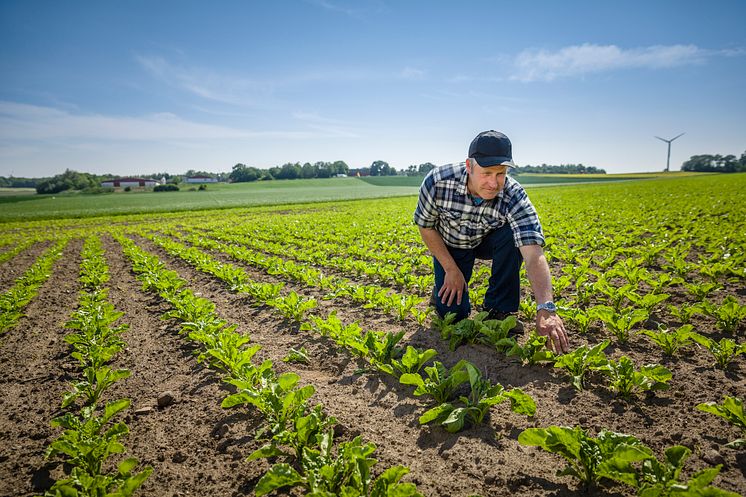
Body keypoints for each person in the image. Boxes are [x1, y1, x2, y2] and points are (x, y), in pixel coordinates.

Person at [413, 130, 569, 353]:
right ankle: (440, 291)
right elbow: (426, 226)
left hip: (487, 240)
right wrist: (450, 269)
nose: (493, 183)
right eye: (486, 173)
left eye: (500, 173)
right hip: (452, 243)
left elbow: (533, 252)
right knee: (452, 315)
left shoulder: (514, 195)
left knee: (513, 235)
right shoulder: (437, 183)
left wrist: (546, 307)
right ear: (469, 166)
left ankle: (499, 309)